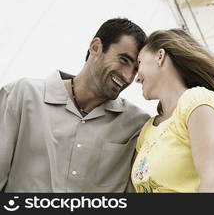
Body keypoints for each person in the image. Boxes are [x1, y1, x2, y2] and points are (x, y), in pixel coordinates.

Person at [0, 18, 150, 192]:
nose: (127, 77)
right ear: (95, 47)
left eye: (135, 70)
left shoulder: (137, 126)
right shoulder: (22, 95)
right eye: (124, 60)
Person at [131, 29, 214, 192]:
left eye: (139, 63)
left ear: (160, 56)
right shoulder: (148, 130)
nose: (136, 78)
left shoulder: (196, 101)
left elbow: (213, 184)